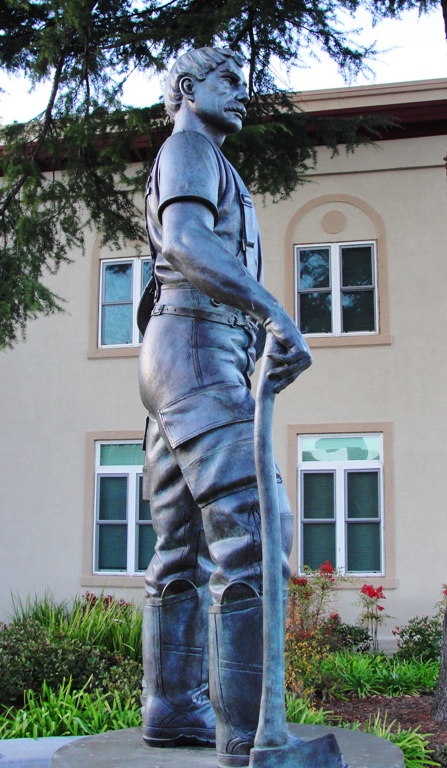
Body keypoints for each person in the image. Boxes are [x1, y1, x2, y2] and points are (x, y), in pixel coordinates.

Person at [138, 47, 312, 768]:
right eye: (226, 81)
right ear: (186, 88)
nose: (241, 93)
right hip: (196, 348)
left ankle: (173, 706)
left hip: (187, 351)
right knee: (255, 529)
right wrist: (274, 312)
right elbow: (182, 241)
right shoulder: (187, 148)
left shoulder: (203, 154)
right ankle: (248, 734)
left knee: (179, 546)